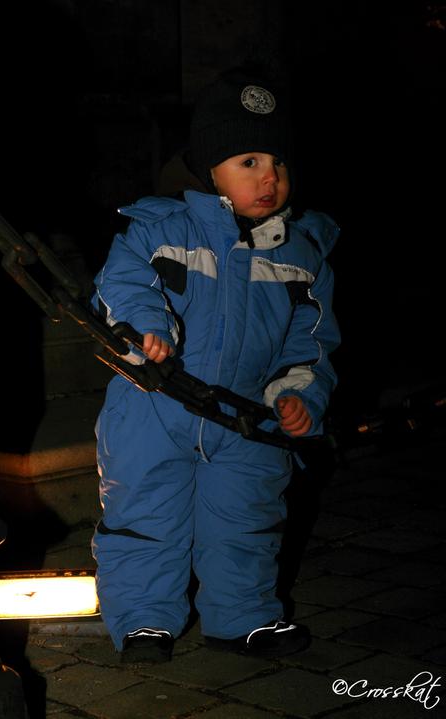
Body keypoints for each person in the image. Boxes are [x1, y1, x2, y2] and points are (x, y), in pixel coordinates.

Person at [91, 66, 340, 664]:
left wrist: (300, 396)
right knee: (147, 511)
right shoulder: (161, 228)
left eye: (277, 162)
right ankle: (145, 619)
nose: (268, 177)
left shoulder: (301, 253)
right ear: (210, 169)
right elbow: (122, 282)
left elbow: (311, 340)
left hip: (247, 415)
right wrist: (148, 327)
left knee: (245, 519)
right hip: (155, 405)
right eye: (248, 161)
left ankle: (244, 617)